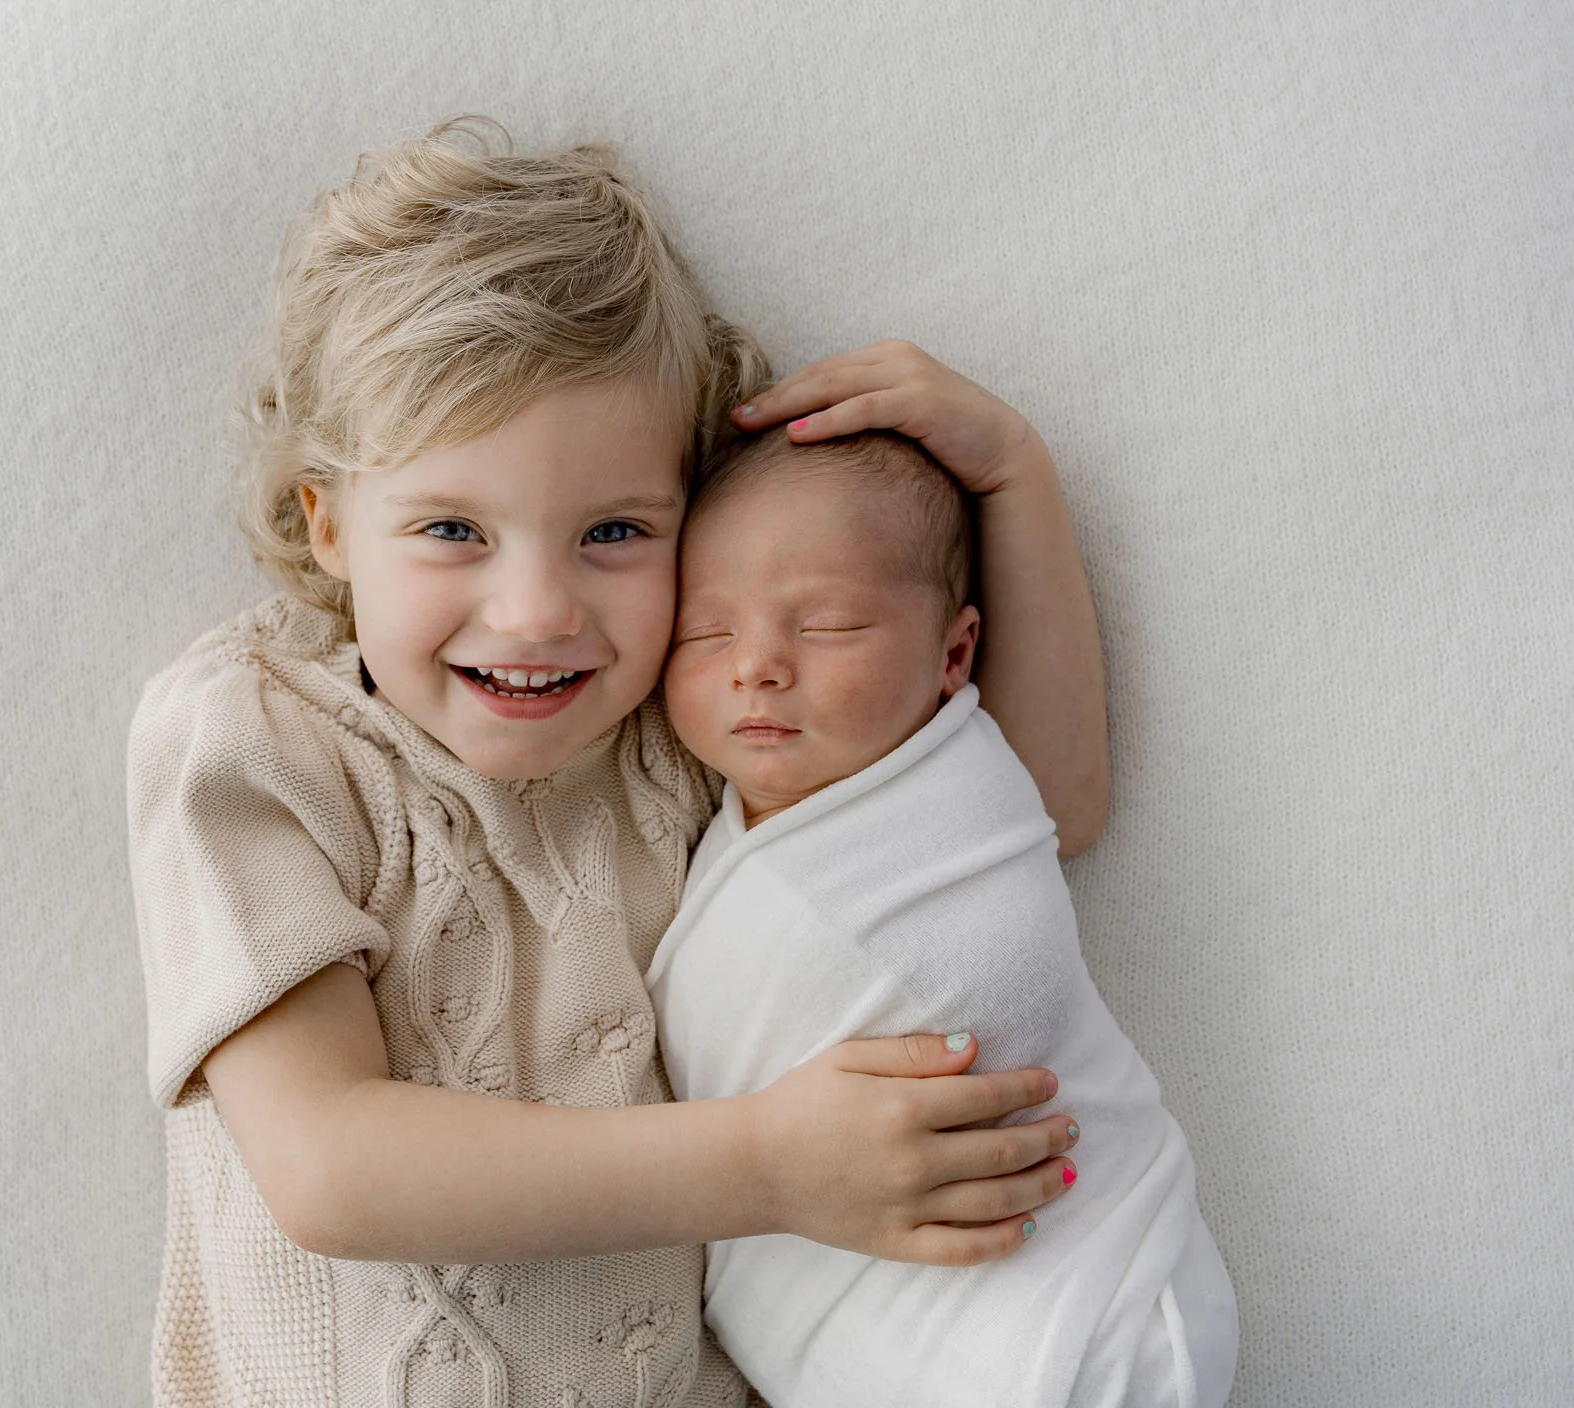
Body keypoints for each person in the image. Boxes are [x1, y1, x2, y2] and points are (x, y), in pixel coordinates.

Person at [126, 119, 1106, 1407]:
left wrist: (1013, 478)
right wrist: (766, 1165)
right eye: (451, 528)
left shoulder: (686, 724)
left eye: (612, 531)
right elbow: (328, 1164)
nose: (536, 610)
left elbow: (1034, 808)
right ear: (329, 522)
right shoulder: (261, 741)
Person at [647, 422, 1238, 1407]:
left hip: (1092, 1301)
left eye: (825, 624)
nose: (755, 665)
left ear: (954, 653)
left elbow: (996, 965)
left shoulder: (963, 800)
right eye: (705, 633)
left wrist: (1010, 465)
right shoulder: (699, 818)